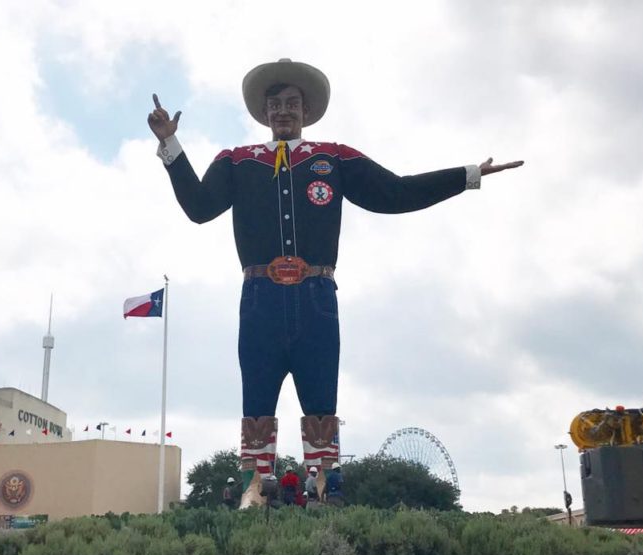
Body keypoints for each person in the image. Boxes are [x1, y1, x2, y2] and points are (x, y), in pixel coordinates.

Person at [149, 58, 523, 507]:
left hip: (316, 294)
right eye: (275, 105)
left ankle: (325, 481)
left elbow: (396, 192)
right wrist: (170, 143)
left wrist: (467, 176)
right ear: (264, 113)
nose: (283, 112)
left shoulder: (334, 157)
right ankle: (254, 483)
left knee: (321, 394)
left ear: (306, 111)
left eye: (292, 104)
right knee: (257, 396)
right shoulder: (237, 161)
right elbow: (199, 207)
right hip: (260, 295)